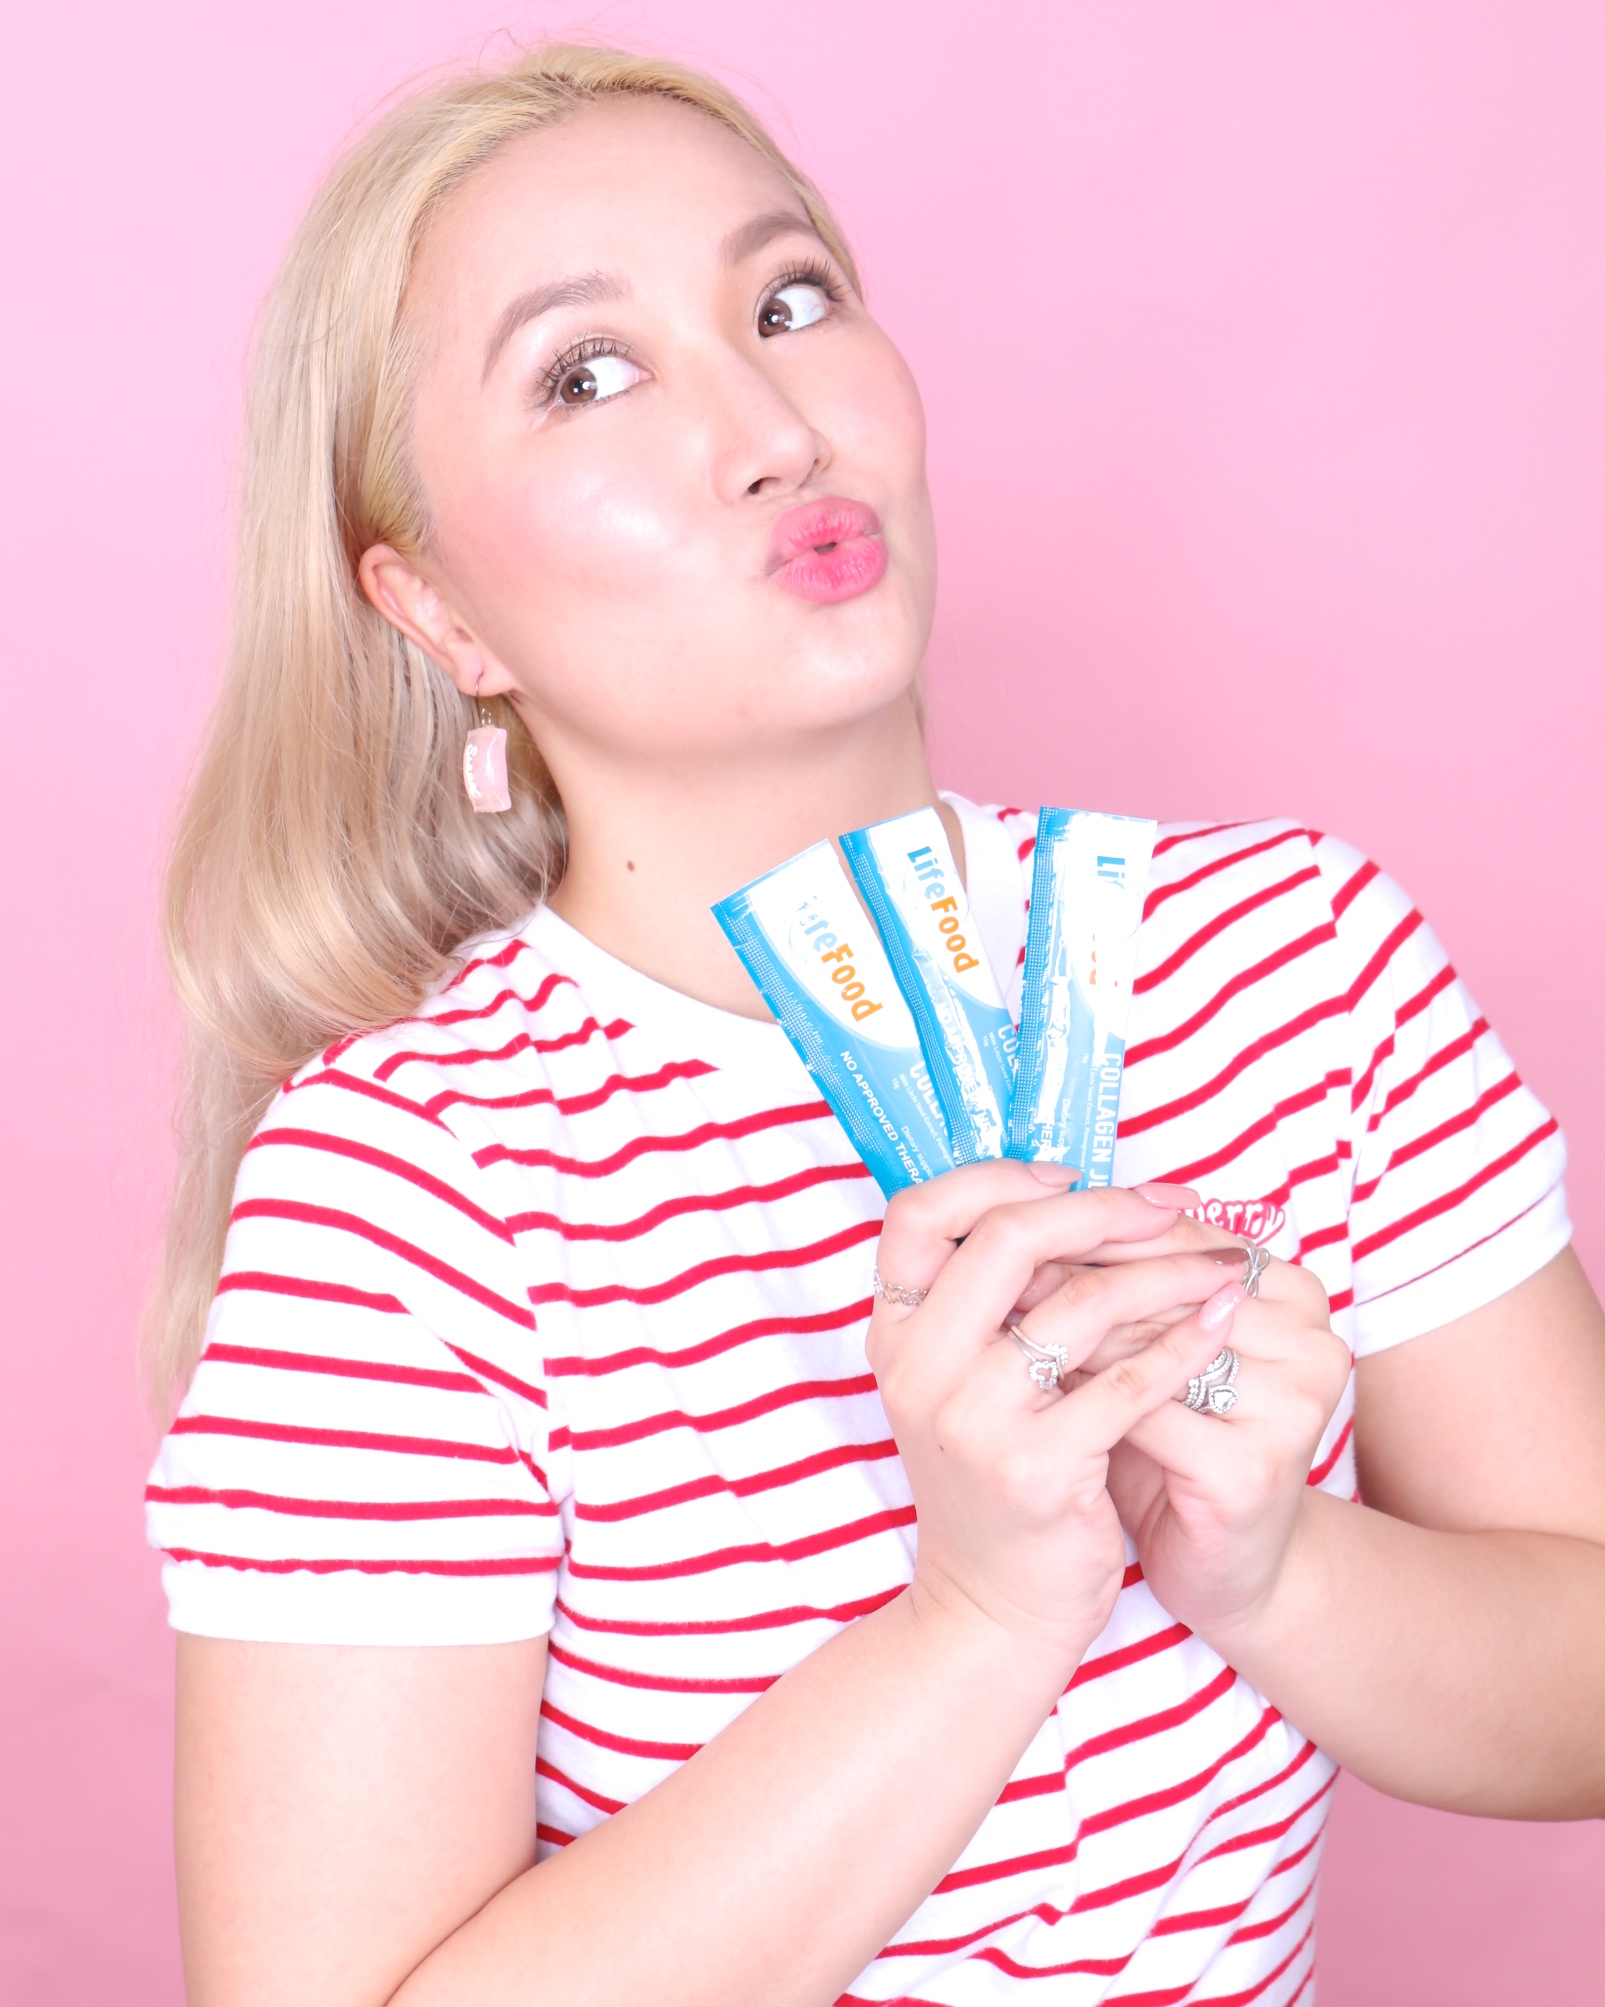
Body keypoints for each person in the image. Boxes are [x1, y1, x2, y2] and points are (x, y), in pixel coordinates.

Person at [145, 43, 1605, 2007]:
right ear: (435, 614)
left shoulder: (1301, 965)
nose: (766, 425)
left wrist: (1277, 1568)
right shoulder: (410, 1190)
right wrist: (979, 1608)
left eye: (788, 299)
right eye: (589, 370)